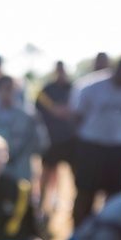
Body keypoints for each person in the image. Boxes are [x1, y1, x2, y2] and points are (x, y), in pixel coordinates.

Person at [71, 56, 121, 226]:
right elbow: (77, 116)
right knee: (85, 193)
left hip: (118, 149)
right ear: (117, 71)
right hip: (92, 147)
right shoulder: (92, 87)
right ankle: (79, 232)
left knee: (115, 195)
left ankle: (108, 230)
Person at [35, 60, 76, 216]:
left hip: (70, 141)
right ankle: (40, 206)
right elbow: (38, 111)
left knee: (76, 175)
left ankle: (73, 203)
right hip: (51, 140)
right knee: (46, 173)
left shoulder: (73, 88)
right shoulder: (46, 91)